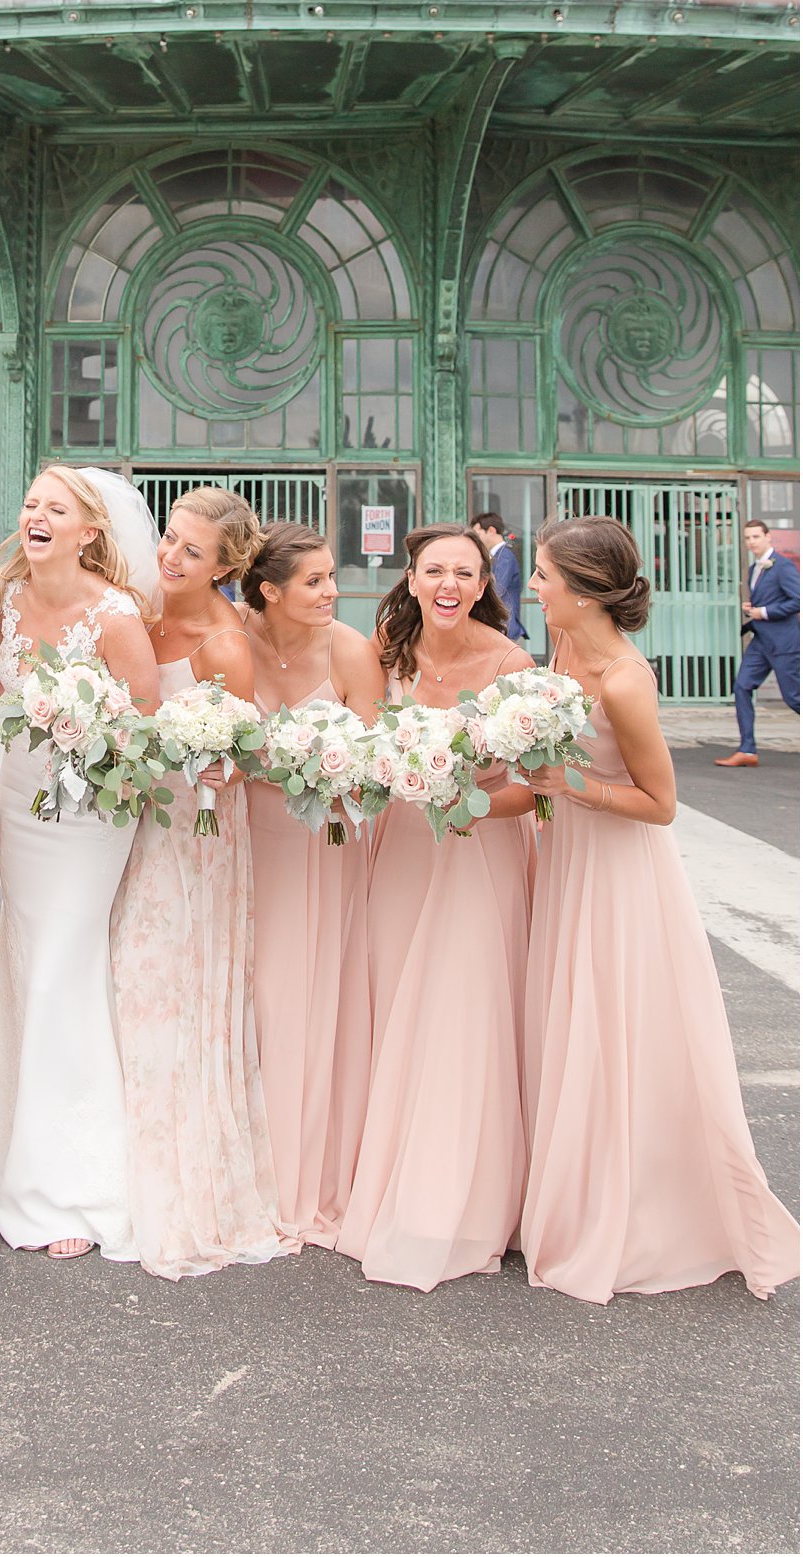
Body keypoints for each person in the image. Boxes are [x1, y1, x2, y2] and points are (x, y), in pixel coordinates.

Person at [522, 516, 798, 1301]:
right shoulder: (566, 647)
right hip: (569, 857)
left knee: (617, 1031)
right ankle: (570, 1190)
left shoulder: (625, 679)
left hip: (620, 870)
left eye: (543, 575)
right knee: (569, 1023)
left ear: (577, 589)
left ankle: (642, 1208)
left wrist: (572, 785)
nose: (535, 587)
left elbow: (661, 803)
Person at [0, 466, 160, 1261]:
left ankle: (74, 1187)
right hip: (16, 797)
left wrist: (87, 739)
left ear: (90, 532)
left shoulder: (115, 617)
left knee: (60, 969)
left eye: (59, 508)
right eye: (32, 504)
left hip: (89, 813)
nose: (37, 515)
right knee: (20, 963)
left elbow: (146, 725)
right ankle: (2, 1160)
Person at [337, 523, 536, 1291]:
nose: (449, 584)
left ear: (484, 586)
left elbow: (531, 787)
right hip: (400, 852)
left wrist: (463, 803)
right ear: (413, 578)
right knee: (396, 1008)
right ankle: (386, 1177)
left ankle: (462, 1199)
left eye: (464, 572)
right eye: (434, 571)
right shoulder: (385, 652)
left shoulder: (512, 664)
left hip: (477, 856)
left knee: (463, 1015)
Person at [111, 487, 290, 1279]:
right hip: (121, 822)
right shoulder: (138, 610)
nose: (171, 558)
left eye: (191, 551)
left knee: (162, 985)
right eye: (170, 540)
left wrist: (213, 757)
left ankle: (169, 1164)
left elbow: (244, 752)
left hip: (192, 834)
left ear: (225, 566)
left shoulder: (224, 642)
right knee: (116, 979)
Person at [240, 524, 384, 1246]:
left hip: (320, 845)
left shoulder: (353, 651)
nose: (332, 591)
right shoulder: (235, 638)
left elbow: (373, 757)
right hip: (241, 839)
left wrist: (329, 768)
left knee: (303, 997)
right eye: (316, 581)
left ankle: (304, 1172)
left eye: (331, 578)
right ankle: (238, 1163)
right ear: (270, 590)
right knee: (247, 995)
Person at [715, 520, 800, 768]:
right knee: (742, 686)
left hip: (784, 642)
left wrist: (765, 611)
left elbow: (797, 601)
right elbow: (766, 600)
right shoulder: (755, 568)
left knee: (794, 698)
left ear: (768, 537)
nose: (751, 542)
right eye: (747, 538)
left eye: (755, 537)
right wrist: (751, 609)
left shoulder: (782, 566)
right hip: (760, 641)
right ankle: (747, 750)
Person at [472, 509, 527, 643]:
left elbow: (498, 589)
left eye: (477, 533)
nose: (476, 539)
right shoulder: (498, 555)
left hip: (504, 626)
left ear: (491, 530)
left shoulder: (504, 556)